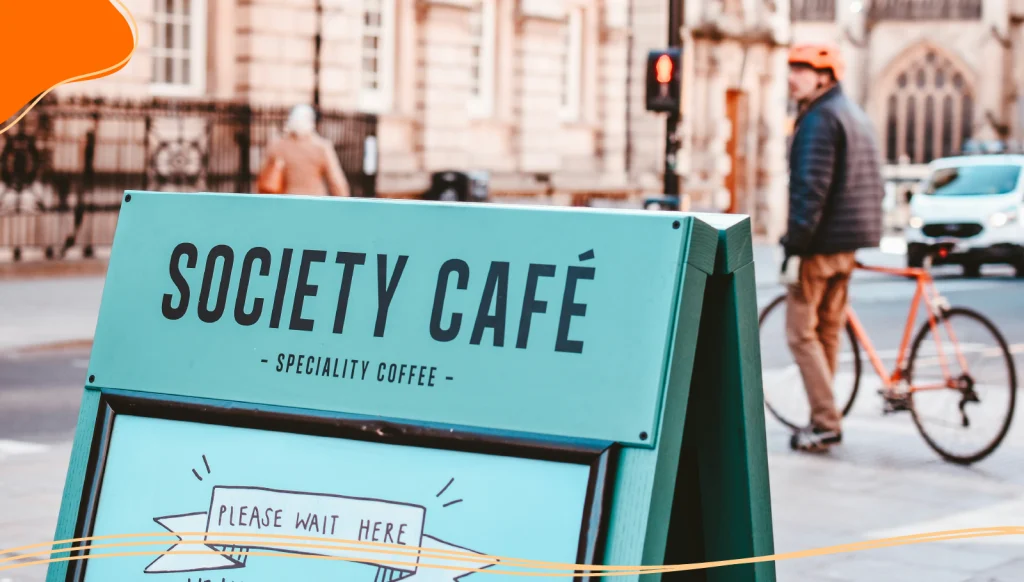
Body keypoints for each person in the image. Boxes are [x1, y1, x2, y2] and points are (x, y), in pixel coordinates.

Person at [780, 43, 884, 452]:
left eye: (802, 70)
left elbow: (811, 189)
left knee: (799, 335)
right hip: (848, 243)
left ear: (824, 77)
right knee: (826, 332)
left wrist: (794, 246)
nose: (792, 77)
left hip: (819, 246)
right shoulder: (853, 114)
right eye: (791, 69)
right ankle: (823, 415)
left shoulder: (819, 119)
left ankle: (824, 421)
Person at [259, 104, 351, 197]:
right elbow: (336, 180)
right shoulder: (322, 147)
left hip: (287, 200)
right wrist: (344, 201)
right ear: (312, 122)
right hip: (314, 200)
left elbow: (264, 174)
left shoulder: (277, 145)